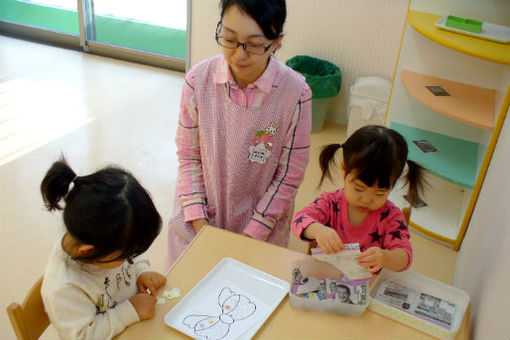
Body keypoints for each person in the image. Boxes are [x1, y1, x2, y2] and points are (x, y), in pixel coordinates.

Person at [167, 0, 312, 266]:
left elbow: (289, 176)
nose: (239, 55)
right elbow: (188, 156)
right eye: (229, 39)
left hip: (261, 227)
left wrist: (252, 234)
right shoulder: (198, 80)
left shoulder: (296, 94)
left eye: (255, 45)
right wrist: (201, 224)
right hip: (199, 218)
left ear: (276, 41)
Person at [40, 158, 166, 340]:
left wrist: (141, 272)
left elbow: (132, 253)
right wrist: (131, 311)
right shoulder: (63, 290)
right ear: (89, 251)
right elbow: (84, 336)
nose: (131, 258)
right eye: (126, 256)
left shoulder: (108, 241)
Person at [292, 125, 427, 273]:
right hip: (325, 276)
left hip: (364, 284)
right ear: (345, 171)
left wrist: (386, 257)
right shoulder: (330, 202)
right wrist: (318, 231)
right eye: (359, 188)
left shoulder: (391, 217)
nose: (366, 199)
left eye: (379, 193)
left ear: (393, 184)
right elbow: (299, 219)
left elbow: (405, 257)